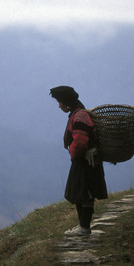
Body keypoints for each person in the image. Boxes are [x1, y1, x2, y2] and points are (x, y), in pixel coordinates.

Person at [50, 86, 108, 236]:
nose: (59, 105)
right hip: (86, 160)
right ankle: (83, 226)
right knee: (81, 192)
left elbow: (81, 141)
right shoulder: (78, 113)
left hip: (85, 160)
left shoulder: (80, 116)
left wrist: (74, 154)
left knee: (83, 193)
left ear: (66, 102)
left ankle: (84, 227)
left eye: (59, 102)